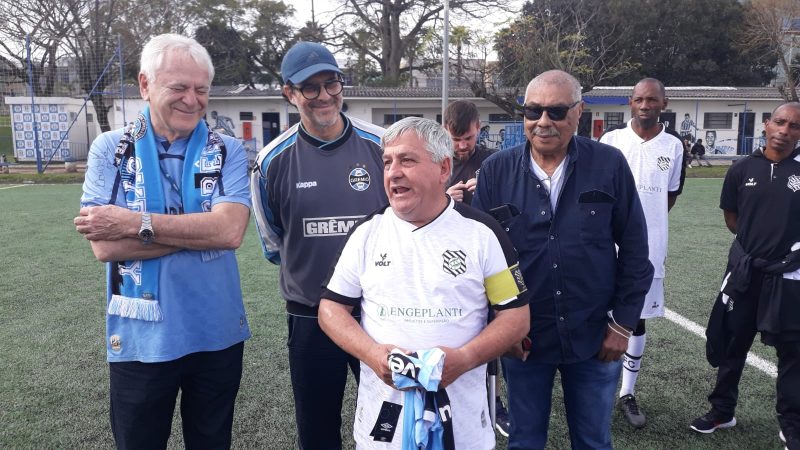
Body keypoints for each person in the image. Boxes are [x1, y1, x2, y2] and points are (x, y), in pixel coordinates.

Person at [73, 33, 251, 449]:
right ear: (145, 85)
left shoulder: (227, 149)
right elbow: (105, 248)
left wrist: (132, 223)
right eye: (179, 87)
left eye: (201, 89)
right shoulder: (109, 150)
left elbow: (230, 232)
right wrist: (201, 232)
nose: (192, 100)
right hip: (139, 337)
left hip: (216, 330)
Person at [318, 117, 530, 450]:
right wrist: (373, 354)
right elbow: (330, 309)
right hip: (384, 423)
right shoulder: (366, 233)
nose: (393, 172)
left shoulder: (483, 233)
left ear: (444, 168)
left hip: (461, 426)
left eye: (407, 160)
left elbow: (516, 317)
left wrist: (465, 358)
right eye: (387, 162)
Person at [472, 70, 654, 449]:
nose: (543, 122)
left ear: (578, 111)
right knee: (524, 441)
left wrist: (622, 325)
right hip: (524, 339)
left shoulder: (609, 165)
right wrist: (501, 327)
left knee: (592, 441)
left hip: (594, 335)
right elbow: (481, 261)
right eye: (533, 110)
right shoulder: (495, 171)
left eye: (556, 111)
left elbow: (636, 249)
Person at [250, 41, 388, 450]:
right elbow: (275, 240)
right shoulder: (270, 162)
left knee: (389, 419)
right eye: (310, 87)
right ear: (289, 93)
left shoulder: (381, 145)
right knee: (317, 428)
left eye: (332, 83)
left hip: (377, 310)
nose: (325, 96)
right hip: (310, 314)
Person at [691, 103, 800, 450]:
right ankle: (722, 410)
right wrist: (754, 249)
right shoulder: (741, 168)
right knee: (733, 341)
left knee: (792, 351)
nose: (784, 131)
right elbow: (732, 217)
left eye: (794, 126)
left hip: (790, 277)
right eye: (780, 122)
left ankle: (792, 424)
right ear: (767, 125)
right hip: (746, 272)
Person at [599, 78, 685, 428]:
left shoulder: (674, 146)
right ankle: (598, 388)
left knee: (636, 319)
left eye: (652, 99)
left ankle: (626, 393)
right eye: (638, 99)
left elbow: (670, 196)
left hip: (649, 248)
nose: (645, 105)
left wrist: (646, 226)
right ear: (630, 103)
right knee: (598, 313)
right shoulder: (611, 141)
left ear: (664, 103)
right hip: (605, 245)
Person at [444, 100, 496, 205]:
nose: (462, 146)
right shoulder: (435, 164)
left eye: (468, 138)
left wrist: (488, 191)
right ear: (445, 130)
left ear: (478, 127)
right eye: (456, 140)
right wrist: (444, 200)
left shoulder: (494, 161)